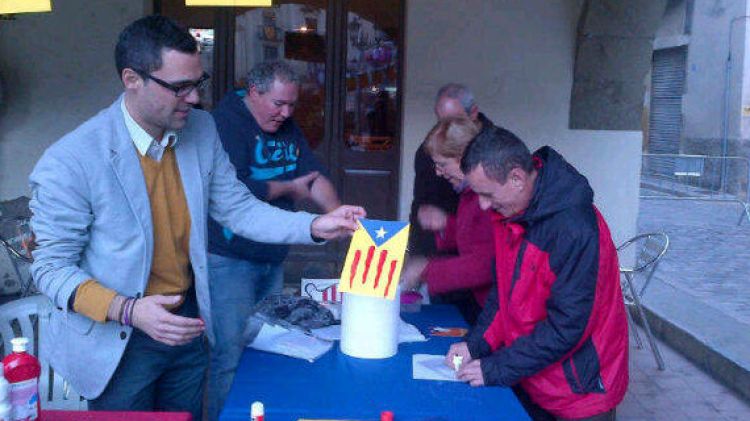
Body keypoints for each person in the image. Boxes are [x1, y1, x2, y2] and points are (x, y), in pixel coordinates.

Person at [28, 16, 364, 421]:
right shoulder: (72, 159)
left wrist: (312, 226)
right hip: (117, 336)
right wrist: (128, 310)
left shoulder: (201, 130)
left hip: (188, 322)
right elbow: (49, 269)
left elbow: (238, 208)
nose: (194, 99)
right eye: (179, 87)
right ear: (132, 79)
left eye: (197, 83)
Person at [446, 127, 628, 420]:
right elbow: (503, 296)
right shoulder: (508, 212)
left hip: (579, 392)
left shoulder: (574, 229)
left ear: (517, 178)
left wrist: (498, 367)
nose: (482, 204)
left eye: (486, 193)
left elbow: (567, 327)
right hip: (532, 375)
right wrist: (474, 344)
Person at [206, 61, 341, 420]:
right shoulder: (225, 123)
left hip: (272, 257)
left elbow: (312, 177)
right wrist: (287, 188)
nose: (286, 113)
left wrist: (339, 214)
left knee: (272, 345)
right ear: (253, 92)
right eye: (278, 104)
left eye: (292, 105)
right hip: (228, 258)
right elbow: (231, 192)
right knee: (230, 353)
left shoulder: (285, 124)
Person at [407, 83, 496, 319]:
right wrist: (447, 224)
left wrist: (426, 270)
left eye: (443, 165)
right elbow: (474, 232)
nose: (438, 172)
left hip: (486, 301)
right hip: (453, 276)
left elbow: (485, 262)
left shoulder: (488, 191)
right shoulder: (467, 189)